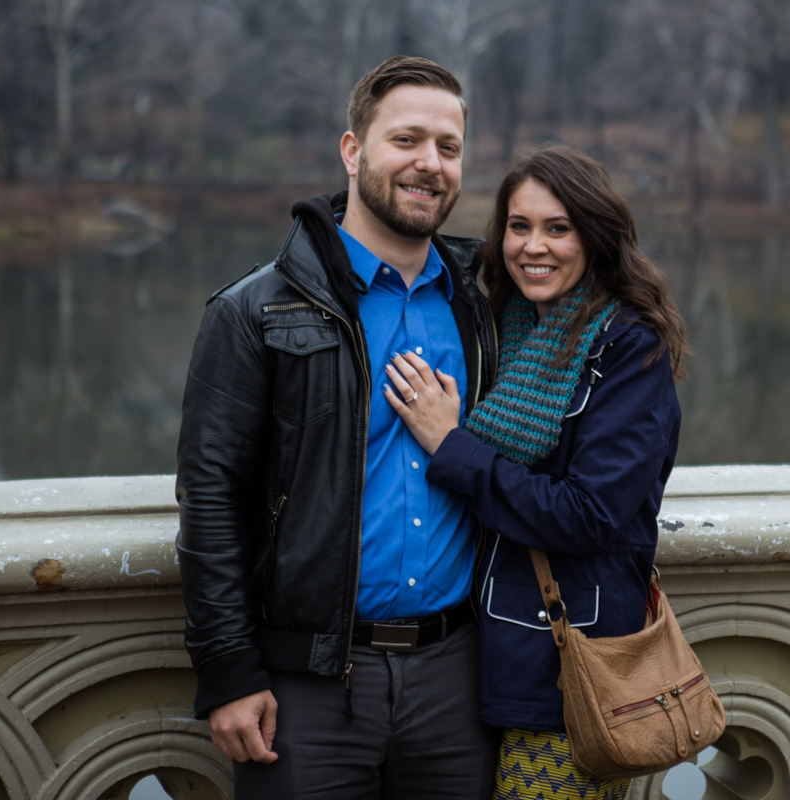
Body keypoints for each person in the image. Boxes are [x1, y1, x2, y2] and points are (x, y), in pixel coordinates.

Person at [175, 55, 499, 799]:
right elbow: (212, 498)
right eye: (407, 140)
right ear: (352, 152)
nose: (430, 164)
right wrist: (228, 671)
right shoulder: (256, 311)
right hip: (309, 683)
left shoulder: (481, 309)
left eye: (448, 147)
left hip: (460, 676)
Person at [384, 144, 690, 800]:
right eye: (519, 227)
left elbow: (587, 515)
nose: (534, 247)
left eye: (558, 228)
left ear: (596, 239)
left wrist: (451, 445)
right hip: (479, 662)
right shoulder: (506, 328)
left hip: (567, 678)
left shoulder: (629, 349)